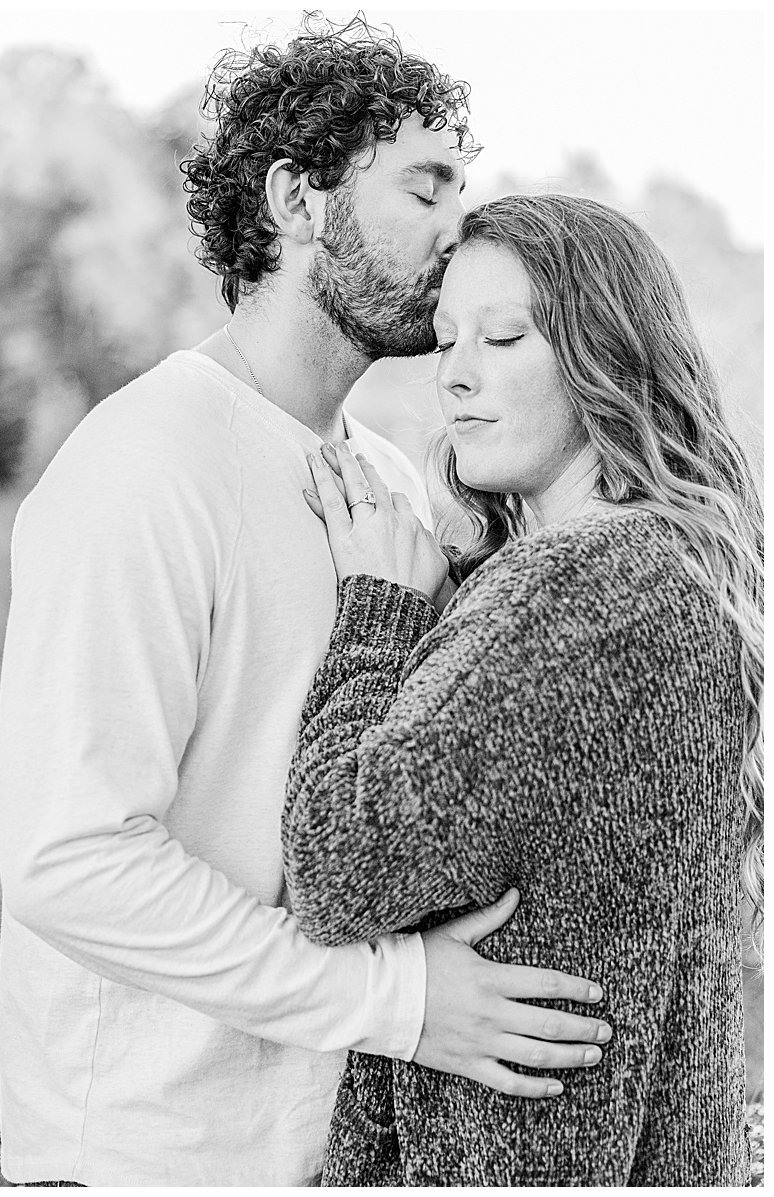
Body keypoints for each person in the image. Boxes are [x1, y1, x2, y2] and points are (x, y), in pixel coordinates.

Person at [0, 19, 612, 1187]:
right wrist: (393, 998)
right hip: (144, 1149)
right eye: (424, 188)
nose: (458, 228)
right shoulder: (141, 467)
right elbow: (70, 860)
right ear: (295, 196)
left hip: (331, 1138)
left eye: (460, 193)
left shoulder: (385, 483)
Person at [284, 193, 760, 1185]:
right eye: (447, 338)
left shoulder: (566, 594)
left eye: (502, 338)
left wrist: (376, 614)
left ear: (606, 357)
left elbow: (337, 864)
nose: (455, 373)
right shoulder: (692, 571)